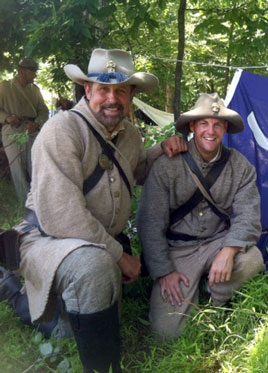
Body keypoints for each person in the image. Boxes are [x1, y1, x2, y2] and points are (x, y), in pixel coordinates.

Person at [0, 48, 186, 372]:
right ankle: (15, 289)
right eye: (103, 89)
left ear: (132, 95)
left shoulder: (130, 134)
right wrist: (120, 255)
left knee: (78, 320)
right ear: (88, 90)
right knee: (96, 270)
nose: (112, 99)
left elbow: (136, 170)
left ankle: (55, 308)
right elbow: (63, 215)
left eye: (120, 90)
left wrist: (160, 150)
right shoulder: (63, 131)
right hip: (47, 238)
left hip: (92, 244)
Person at [137, 93, 264, 340]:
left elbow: (249, 215)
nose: (211, 130)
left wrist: (229, 250)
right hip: (177, 250)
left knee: (252, 259)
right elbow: (150, 223)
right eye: (204, 123)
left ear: (225, 128)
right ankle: (191, 287)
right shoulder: (167, 165)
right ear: (193, 127)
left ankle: (214, 291)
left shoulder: (240, 166)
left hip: (218, 243)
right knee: (166, 335)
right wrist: (164, 271)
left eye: (217, 124)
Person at [0, 58, 49, 203]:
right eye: (32, 72)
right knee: (17, 168)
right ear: (22, 71)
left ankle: (39, 200)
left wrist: (37, 123)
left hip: (32, 131)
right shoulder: (4, 87)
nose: (35, 75)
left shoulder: (35, 90)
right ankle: (25, 203)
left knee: (36, 165)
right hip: (12, 131)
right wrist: (7, 118)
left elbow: (44, 112)